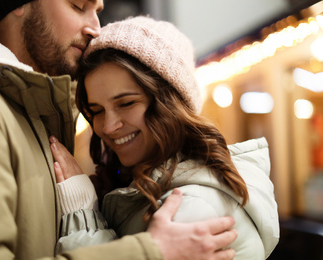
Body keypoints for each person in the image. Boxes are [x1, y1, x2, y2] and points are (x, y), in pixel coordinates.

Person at [0, 1, 238, 260]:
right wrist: (146, 252)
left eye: (97, 9)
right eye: (79, 5)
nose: (95, 27)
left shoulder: (34, 107)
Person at [51, 16, 280, 259]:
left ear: (169, 103)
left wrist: (83, 215)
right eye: (97, 111)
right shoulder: (143, 185)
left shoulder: (192, 206)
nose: (107, 127)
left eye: (127, 103)